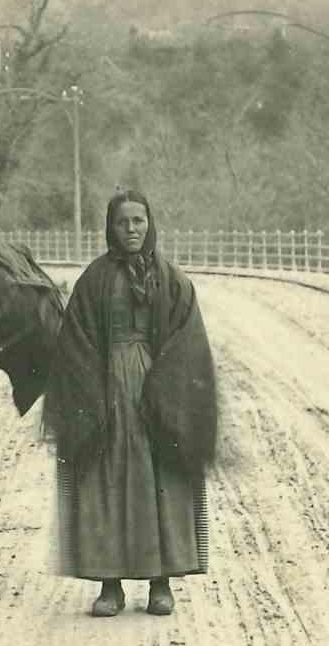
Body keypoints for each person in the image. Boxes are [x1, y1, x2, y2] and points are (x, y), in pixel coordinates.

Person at [43, 189, 218, 616]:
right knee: (107, 483)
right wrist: (93, 392)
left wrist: (165, 391)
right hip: (107, 392)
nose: (132, 229)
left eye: (139, 221)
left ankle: (162, 583)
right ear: (111, 228)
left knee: (162, 482)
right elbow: (76, 341)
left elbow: (187, 339)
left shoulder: (172, 279)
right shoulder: (95, 280)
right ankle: (110, 585)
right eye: (123, 222)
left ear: (149, 223)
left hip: (158, 391)